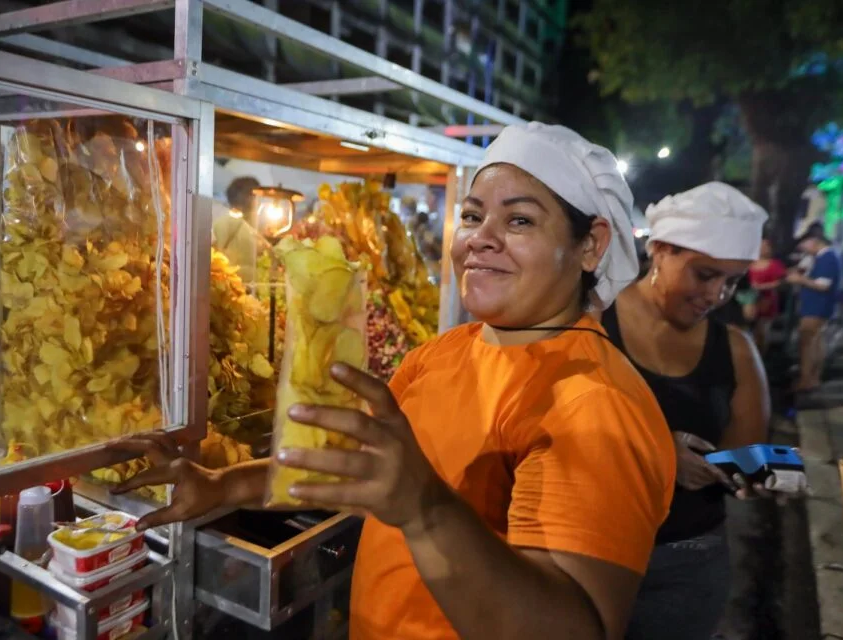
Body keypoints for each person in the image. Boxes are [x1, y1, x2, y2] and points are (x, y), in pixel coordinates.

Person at [113, 123, 676, 640]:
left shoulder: (595, 403)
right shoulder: (441, 354)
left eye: (520, 220)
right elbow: (352, 468)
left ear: (591, 245)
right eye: (475, 216)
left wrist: (424, 506)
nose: (481, 238)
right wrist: (221, 484)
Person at [600, 182, 772, 640]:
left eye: (732, 282)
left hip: (688, 563)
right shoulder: (589, 323)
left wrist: (759, 473)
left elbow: (747, 468)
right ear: (659, 250)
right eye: (705, 274)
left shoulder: (735, 351)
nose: (717, 295)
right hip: (589, 551)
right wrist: (658, 453)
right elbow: (540, 426)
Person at [788, 226, 843, 392]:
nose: (802, 249)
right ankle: (813, 378)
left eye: (804, 245)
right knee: (816, 342)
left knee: (807, 343)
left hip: (816, 306)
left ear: (813, 242)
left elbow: (822, 285)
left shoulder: (827, 257)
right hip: (819, 306)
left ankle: (806, 380)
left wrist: (799, 279)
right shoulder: (827, 256)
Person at [746, 238, 787, 353]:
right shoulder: (749, 262)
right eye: (761, 246)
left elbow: (781, 282)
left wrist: (761, 287)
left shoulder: (775, 264)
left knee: (762, 331)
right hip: (748, 300)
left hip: (767, 300)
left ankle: (761, 356)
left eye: (766, 246)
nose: (763, 249)